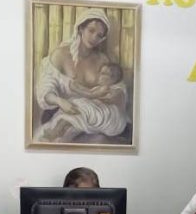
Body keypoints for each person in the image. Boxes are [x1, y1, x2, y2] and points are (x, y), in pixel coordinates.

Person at [35, 8, 128, 143]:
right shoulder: (60, 55)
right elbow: (45, 89)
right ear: (80, 29)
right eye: (91, 31)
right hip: (63, 112)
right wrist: (60, 101)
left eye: (99, 35)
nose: (94, 37)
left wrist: (117, 95)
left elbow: (118, 86)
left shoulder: (102, 60)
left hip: (92, 116)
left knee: (101, 140)